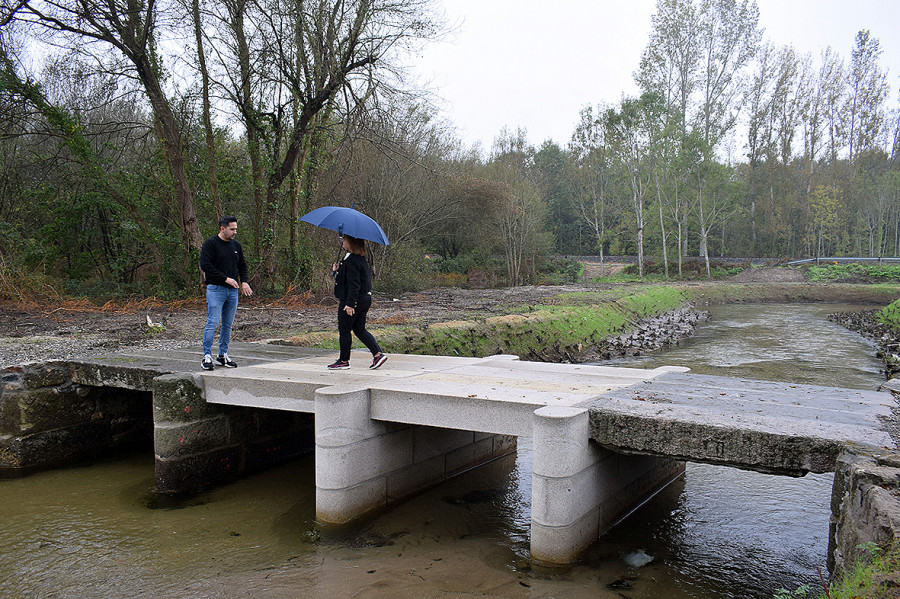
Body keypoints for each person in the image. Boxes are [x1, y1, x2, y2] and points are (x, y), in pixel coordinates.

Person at [199, 215, 253, 370]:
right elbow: (206, 265)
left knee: (228, 325)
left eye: (236, 229)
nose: (235, 232)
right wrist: (225, 279)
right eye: (232, 229)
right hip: (216, 289)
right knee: (213, 322)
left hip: (232, 292)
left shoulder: (236, 246)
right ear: (222, 228)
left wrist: (244, 281)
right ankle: (207, 355)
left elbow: (242, 265)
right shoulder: (210, 244)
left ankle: (222, 354)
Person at [329, 234, 387, 370]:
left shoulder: (353, 260)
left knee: (344, 330)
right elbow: (350, 279)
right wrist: (336, 271)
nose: (342, 241)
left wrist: (350, 304)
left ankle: (343, 361)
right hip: (364, 298)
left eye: (344, 239)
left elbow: (354, 285)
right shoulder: (357, 259)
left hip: (354, 299)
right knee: (359, 329)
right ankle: (378, 355)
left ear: (351, 242)